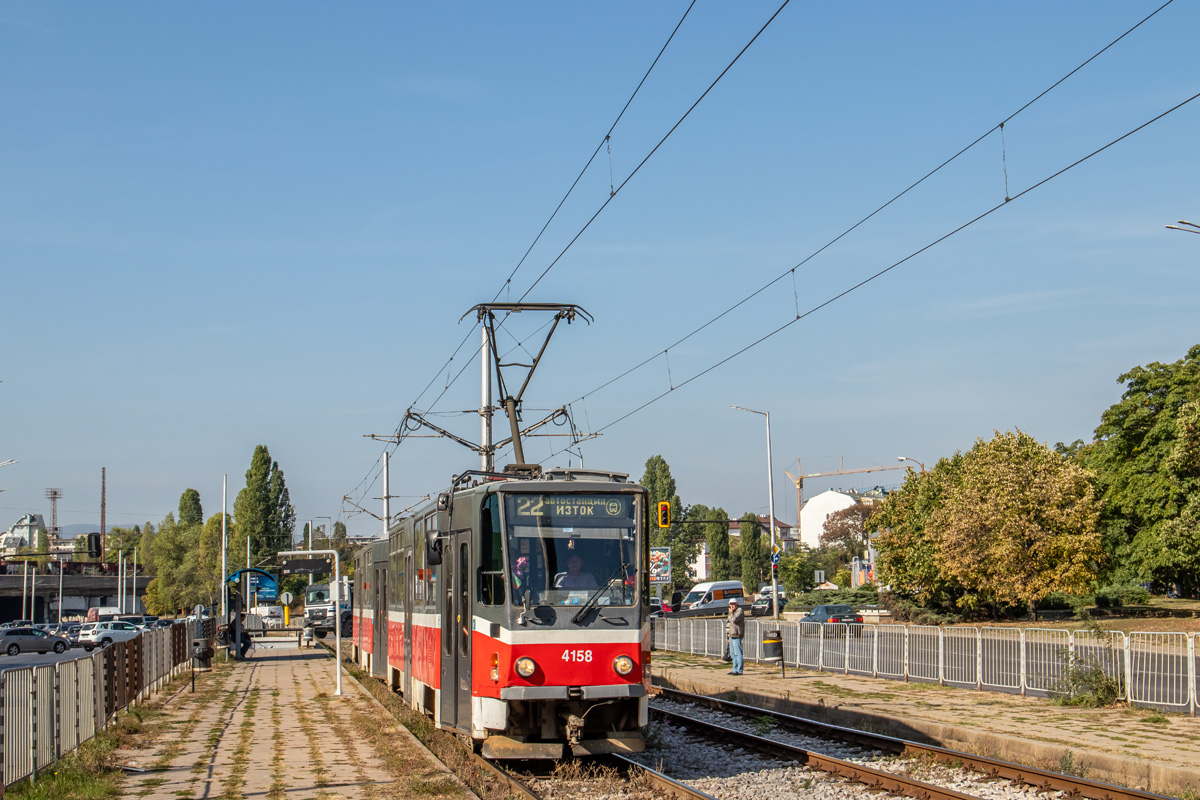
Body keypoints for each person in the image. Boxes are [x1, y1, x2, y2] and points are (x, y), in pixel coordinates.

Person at [726, 598, 745, 675]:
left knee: (738, 653)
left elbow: (734, 620)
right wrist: (727, 636)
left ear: (736, 604)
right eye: (731, 604)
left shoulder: (739, 611)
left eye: (733, 604)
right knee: (733, 654)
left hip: (737, 634)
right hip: (731, 635)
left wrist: (731, 613)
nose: (732, 606)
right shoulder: (732, 612)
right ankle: (734, 669)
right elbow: (728, 624)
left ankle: (739, 670)